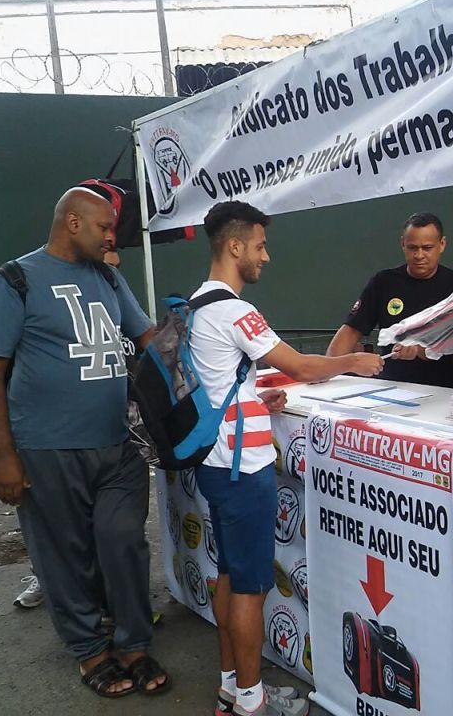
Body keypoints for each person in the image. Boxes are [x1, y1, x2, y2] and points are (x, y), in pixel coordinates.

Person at [190, 200, 383, 716]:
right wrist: (352, 360)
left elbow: (219, 382)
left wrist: (256, 398)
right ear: (235, 246)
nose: (265, 256)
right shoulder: (235, 310)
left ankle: (232, 687)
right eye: (259, 246)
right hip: (242, 468)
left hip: (215, 462)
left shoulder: (197, 304)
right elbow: (301, 366)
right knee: (250, 587)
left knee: (229, 574)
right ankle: (252, 701)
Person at [0, 187, 168, 698]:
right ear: (73, 223)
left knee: (124, 542)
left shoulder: (109, 276)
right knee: (65, 555)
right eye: (104, 227)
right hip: (47, 448)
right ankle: (90, 652)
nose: (111, 238)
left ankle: (133, 644)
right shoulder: (15, 280)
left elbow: (149, 339)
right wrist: (3, 456)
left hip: (118, 444)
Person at [326, 212, 453, 387]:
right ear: (403, 244)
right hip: (392, 387)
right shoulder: (384, 282)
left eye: (427, 248)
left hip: (445, 389)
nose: (419, 255)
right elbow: (351, 330)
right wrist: (328, 370)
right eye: (412, 248)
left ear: (442, 244)